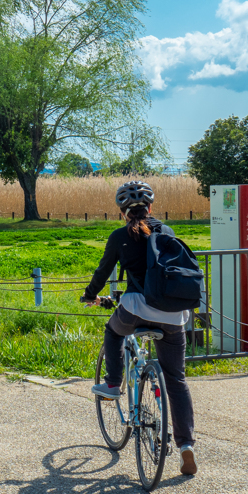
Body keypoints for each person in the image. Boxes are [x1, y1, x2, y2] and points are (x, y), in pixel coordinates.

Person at [81, 180, 198, 477]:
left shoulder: (120, 236)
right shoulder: (166, 231)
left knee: (113, 331)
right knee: (176, 381)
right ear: (151, 207)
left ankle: (111, 383)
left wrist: (91, 295)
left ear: (122, 211)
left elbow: (103, 271)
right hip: (173, 315)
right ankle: (186, 447)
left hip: (136, 308)